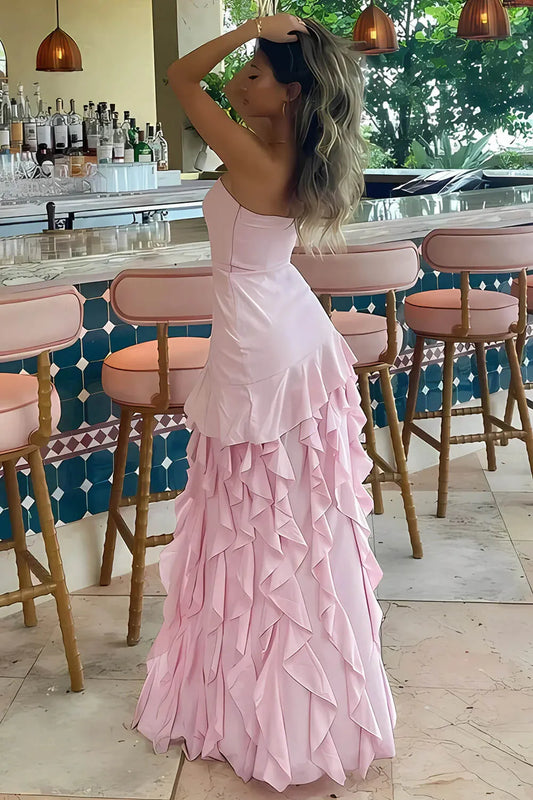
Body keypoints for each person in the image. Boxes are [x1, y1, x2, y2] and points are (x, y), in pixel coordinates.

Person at [133, 13, 396, 791]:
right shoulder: (287, 155)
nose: (235, 82)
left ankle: (267, 714)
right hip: (282, 337)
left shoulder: (254, 156)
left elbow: (180, 77)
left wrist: (251, 22)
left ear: (289, 93)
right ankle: (277, 706)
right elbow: (196, 82)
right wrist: (257, 38)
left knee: (261, 529)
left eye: (252, 73)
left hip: (261, 348)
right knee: (290, 530)